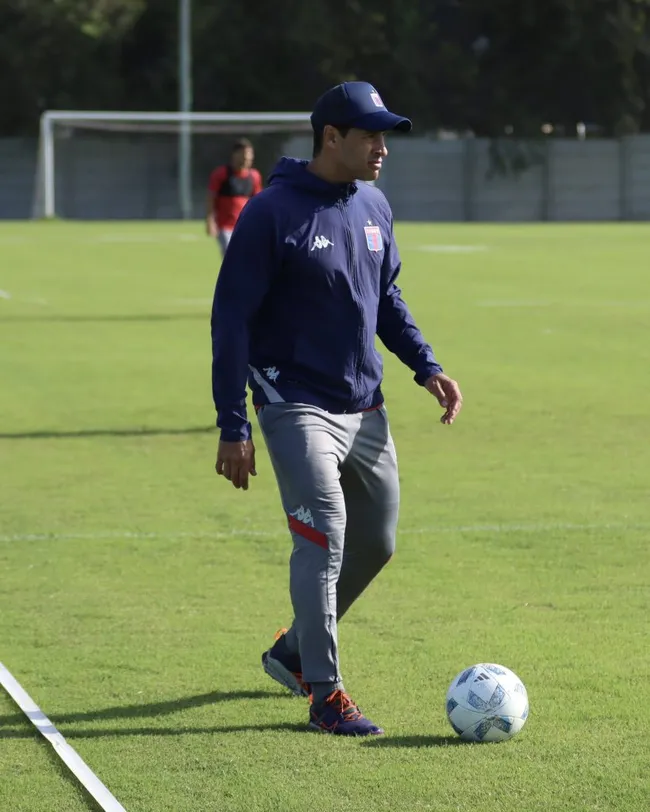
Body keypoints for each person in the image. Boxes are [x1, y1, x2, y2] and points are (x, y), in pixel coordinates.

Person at [210, 81, 463, 736]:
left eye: (386, 135)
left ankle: (293, 649)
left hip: (364, 402)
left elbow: (387, 301)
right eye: (371, 135)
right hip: (291, 399)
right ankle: (326, 692)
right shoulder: (272, 213)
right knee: (323, 532)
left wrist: (426, 364)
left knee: (376, 542)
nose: (383, 148)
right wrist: (232, 423)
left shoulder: (375, 205)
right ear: (332, 139)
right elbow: (231, 320)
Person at [206, 138, 263, 256]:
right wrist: (210, 220)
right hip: (225, 227)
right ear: (235, 154)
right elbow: (211, 197)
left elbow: (258, 202)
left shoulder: (254, 176)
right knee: (230, 256)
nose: (247, 158)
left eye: (249, 155)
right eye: (244, 154)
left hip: (246, 226)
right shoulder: (221, 174)